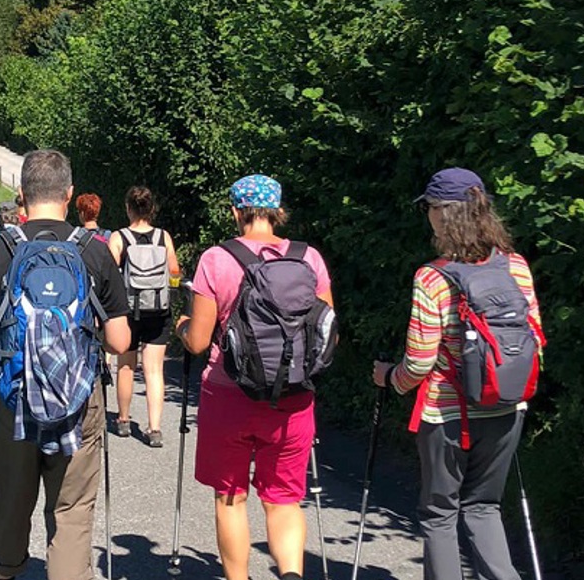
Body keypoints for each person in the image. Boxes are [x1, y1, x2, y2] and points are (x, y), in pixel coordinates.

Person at [0, 149, 131, 580]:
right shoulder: (93, 251)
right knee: (70, 509)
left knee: (11, 498)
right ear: (68, 194)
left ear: (21, 196)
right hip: (79, 401)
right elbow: (120, 340)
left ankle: (2, 568)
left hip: (14, 400)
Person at [372, 168, 544, 580]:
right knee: (484, 508)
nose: (427, 215)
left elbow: (419, 362)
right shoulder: (516, 266)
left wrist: (388, 378)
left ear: (442, 214)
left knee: (439, 514)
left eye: (429, 207)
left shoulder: (432, 277)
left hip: (447, 414)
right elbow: (536, 339)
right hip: (507, 406)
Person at [175, 174, 334, 580]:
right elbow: (325, 330)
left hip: (229, 395)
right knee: (284, 500)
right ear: (278, 211)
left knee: (230, 497)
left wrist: (180, 326)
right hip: (294, 398)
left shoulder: (217, 259)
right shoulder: (308, 258)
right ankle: (292, 574)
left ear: (235, 211)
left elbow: (197, 342)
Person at [107, 185, 180, 447]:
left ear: (128, 208)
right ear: (151, 209)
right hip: (159, 310)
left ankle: (124, 420)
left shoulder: (119, 237)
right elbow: (174, 271)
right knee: (154, 370)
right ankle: (154, 428)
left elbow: (109, 274)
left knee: (126, 365)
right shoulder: (163, 237)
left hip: (128, 310)